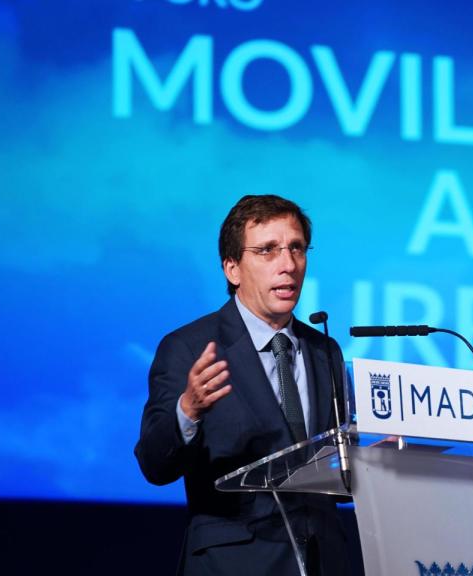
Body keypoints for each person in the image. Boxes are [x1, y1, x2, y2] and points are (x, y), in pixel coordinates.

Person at [135, 194, 348, 575]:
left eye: (296, 248)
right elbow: (154, 464)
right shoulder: (188, 348)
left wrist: (365, 462)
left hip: (323, 561)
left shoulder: (325, 351)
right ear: (232, 269)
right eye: (268, 251)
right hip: (234, 563)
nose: (288, 265)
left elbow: (332, 473)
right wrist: (188, 410)